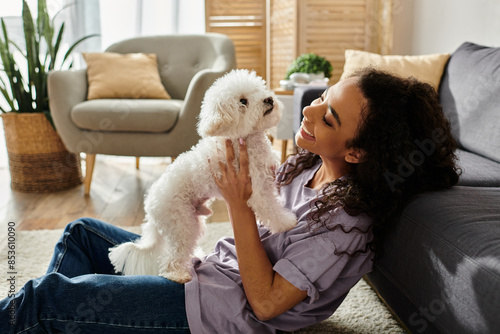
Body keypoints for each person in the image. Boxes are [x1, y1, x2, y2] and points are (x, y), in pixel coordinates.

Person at [0, 68, 460, 333]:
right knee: (81, 233)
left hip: (212, 312)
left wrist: (238, 206)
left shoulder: (345, 225)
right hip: (206, 270)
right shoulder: (305, 167)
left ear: (358, 152)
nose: (309, 109)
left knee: (48, 297)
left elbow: (266, 304)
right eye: (322, 97)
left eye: (330, 116)